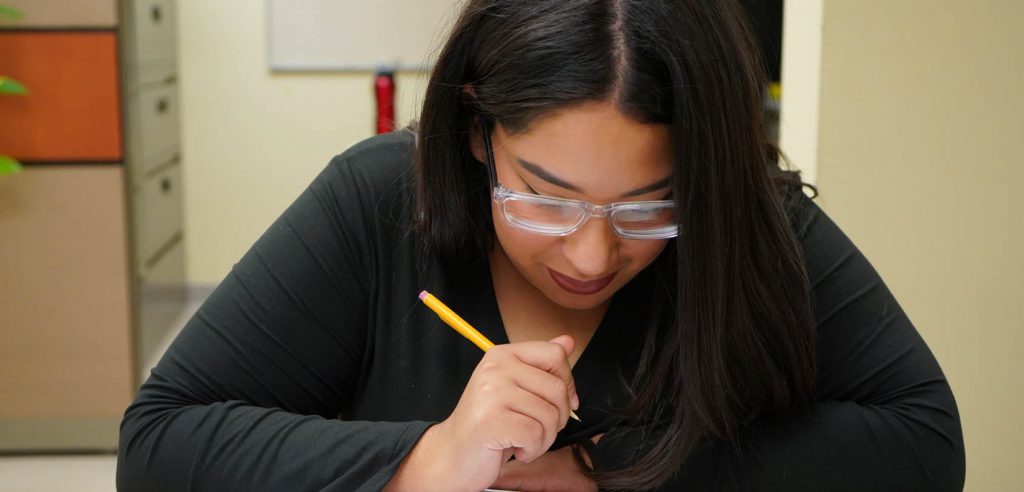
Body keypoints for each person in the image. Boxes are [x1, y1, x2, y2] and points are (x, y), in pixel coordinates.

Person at [116, 0, 965, 490]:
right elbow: (159, 445)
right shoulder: (380, 201)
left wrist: (608, 468)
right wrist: (431, 457)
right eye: (546, 198)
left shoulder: (749, 219)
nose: (592, 257)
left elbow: (926, 442)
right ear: (479, 128)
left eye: (648, 207)